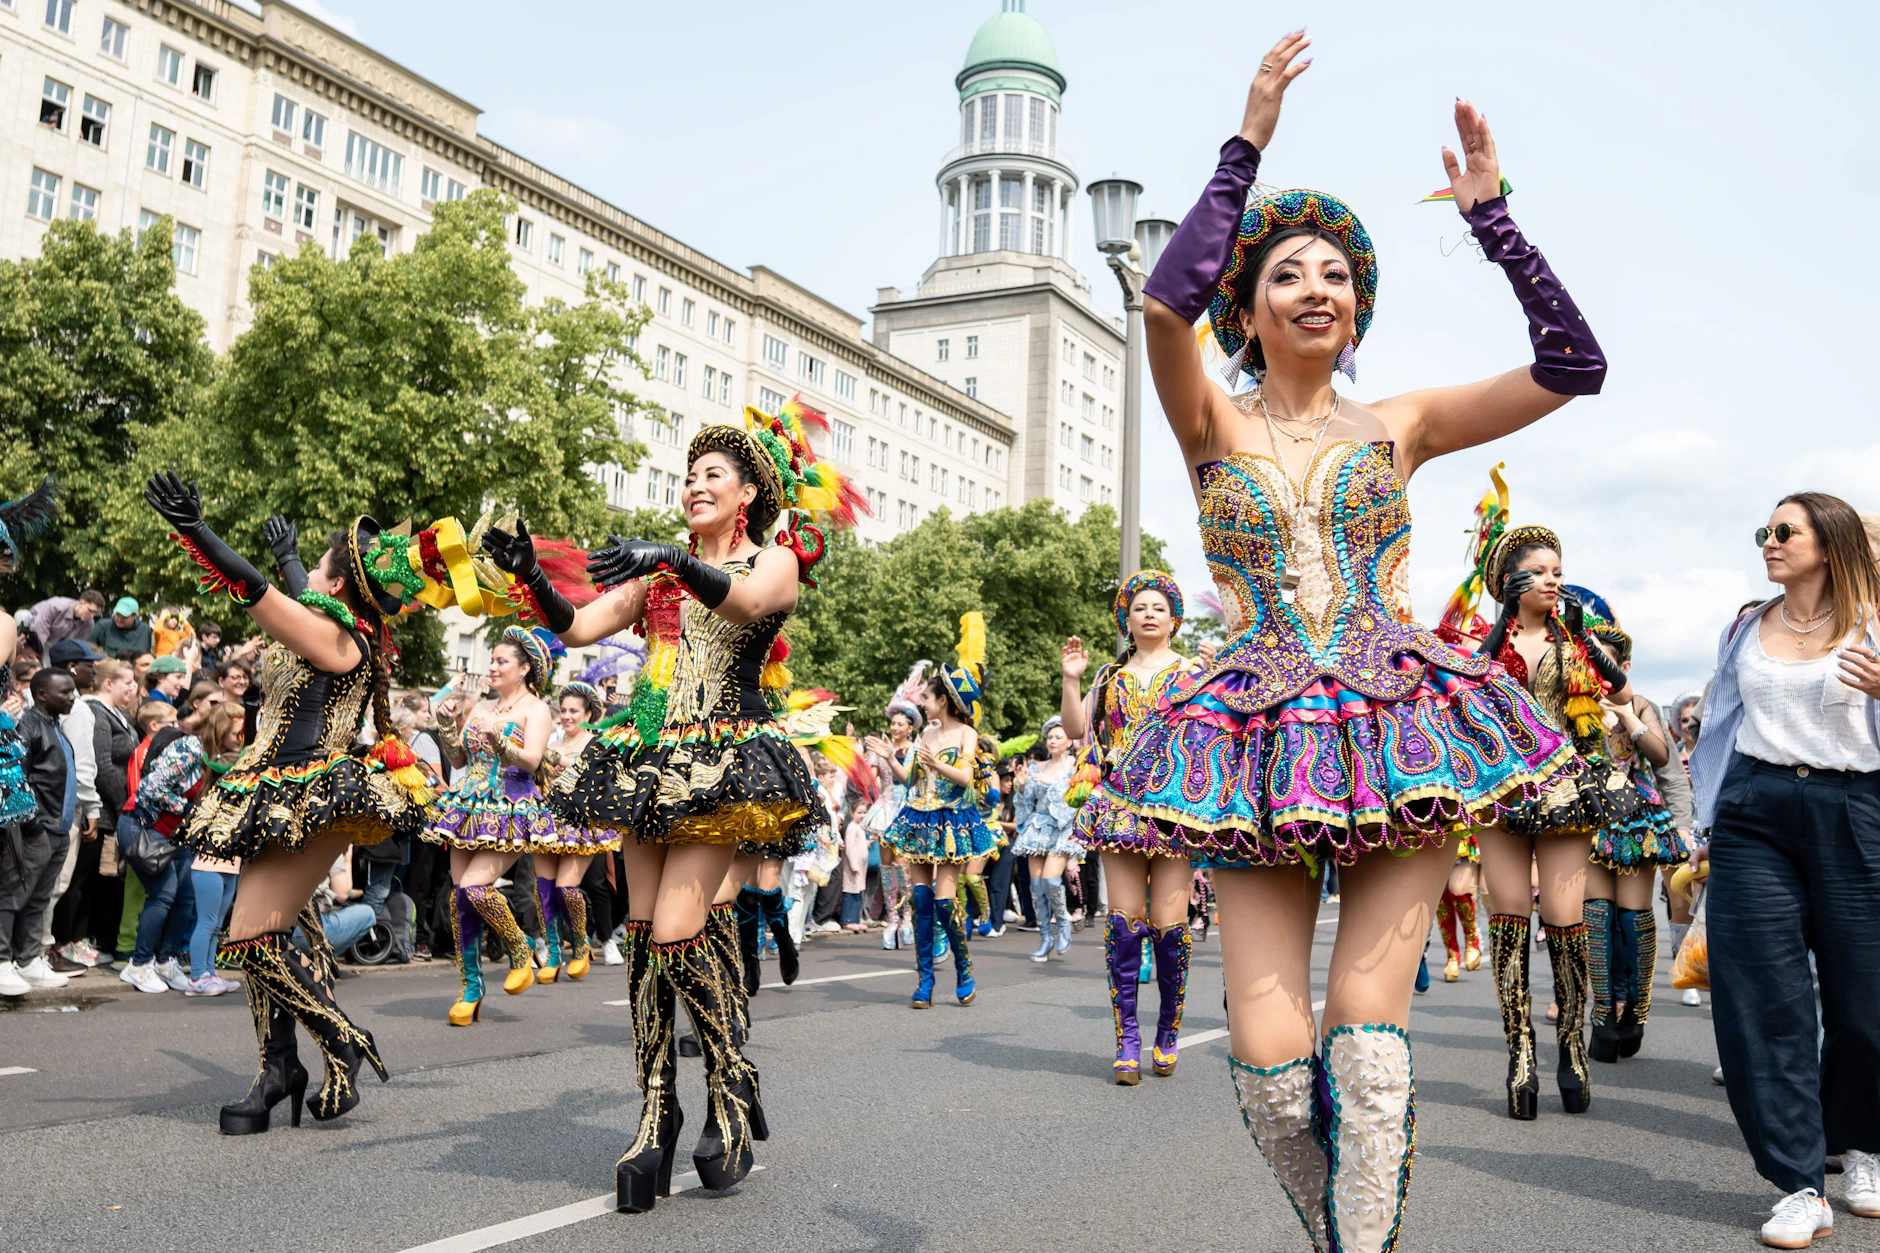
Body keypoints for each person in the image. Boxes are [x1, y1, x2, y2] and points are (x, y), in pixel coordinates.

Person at [1077, 39, 1599, 1252]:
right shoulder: (1202, 414)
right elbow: (1160, 302)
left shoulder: (1399, 421)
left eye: (1336, 275)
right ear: (1246, 307)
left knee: (1366, 1037)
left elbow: (1573, 365)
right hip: (1248, 733)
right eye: (1285, 274)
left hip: (1399, 723)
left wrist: (1494, 222)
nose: (1316, 287)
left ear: (1356, 306)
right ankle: (1339, 1229)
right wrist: (1245, 142)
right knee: (1269, 1064)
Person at [531, 396, 857, 1211]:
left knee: (679, 927)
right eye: (688, 475)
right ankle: (656, 1113)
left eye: (712, 475)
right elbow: (576, 627)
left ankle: (730, 1082)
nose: (693, 485)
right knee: (644, 937)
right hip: (646, 758)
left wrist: (672, 564)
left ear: (748, 493)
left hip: (725, 760)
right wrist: (530, 576)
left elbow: (747, 607)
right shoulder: (658, 573)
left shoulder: (773, 559)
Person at [140, 480, 438, 1133]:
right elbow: (298, 594)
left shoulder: (340, 635)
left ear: (339, 585)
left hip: (307, 791)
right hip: (275, 790)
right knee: (287, 932)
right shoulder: (342, 624)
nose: (312, 580)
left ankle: (342, 1038)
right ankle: (278, 1068)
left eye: (322, 571)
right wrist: (292, 557)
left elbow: (261, 596)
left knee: (250, 939)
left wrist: (200, 532)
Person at [1690, 492, 1880, 1248]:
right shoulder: (1746, 623)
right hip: (1754, 810)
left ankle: (1863, 1144)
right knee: (1764, 1001)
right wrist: (1705, 822)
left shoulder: (1872, 622)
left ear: (1829, 544)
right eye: (1764, 531)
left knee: (1865, 1001)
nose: (1767, 541)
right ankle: (1801, 1183)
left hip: (1854, 806)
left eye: (1784, 531)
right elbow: (1719, 724)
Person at [1064, 569, 1198, 1082]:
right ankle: (1127, 1040)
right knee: (1123, 923)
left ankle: (1167, 1031)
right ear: (1126, 618)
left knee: (1169, 928)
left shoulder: (1194, 672)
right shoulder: (1107, 678)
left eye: (1158, 608)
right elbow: (1077, 730)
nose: (1148, 614)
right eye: (1139, 607)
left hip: (1175, 808)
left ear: (1173, 620)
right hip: (1118, 803)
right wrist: (1071, 679)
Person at [424, 626, 569, 1023]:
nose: (491, 667)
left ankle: (520, 946)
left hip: (509, 806)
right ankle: (470, 988)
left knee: (474, 889)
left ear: (523, 669)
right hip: (468, 805)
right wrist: (447, 726)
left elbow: (533, 760)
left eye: (501, 661)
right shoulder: (483, 707)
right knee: (459, 899)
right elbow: (458, 762)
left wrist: (500, 740)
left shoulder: (536, 709)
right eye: (491, 661)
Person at [1575, 612, 1689, 1065]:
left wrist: (1626, 716)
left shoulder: (1641, 704)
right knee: (1595, 917)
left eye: (1609, 662)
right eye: (1593, 661)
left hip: (1636, 821)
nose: (1601, 670)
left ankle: (1634, 1015)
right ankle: (1602, 1016)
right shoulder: (1573, 703)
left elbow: (1665, 761)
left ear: (1622, 666)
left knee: (1632, 916)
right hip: (1585, 819)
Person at [881, 614, 998, 1010]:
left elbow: (964, 778)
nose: (922, 704)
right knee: (919, 899)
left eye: (926, 699)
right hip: (919, 817)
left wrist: (936, 764)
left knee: (946, 902)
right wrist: (890, 760)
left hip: (951, 822)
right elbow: (909, 779)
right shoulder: (925, 734)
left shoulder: (967, 734)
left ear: (943, 701)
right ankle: (925, 980)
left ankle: (964, 970)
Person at [0, 668, 79, 994]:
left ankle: (29, 959)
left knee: (38, 898)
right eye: (65, 691)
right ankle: (2, 960)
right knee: (11, 894)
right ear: (42, 694)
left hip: (57, 828)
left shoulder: (53, 725)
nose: (72, 696)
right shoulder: (28, 726)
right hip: (34, 828)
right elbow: (17, 775)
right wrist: (31, 826)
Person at [1012, 716, 1079, 963]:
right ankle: (1045, 938)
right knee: (1037, 887)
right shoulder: (1036, 767)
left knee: (1051, 881)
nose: (1052, 741)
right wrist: (1021, 787)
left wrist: (1052, 784)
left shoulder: (1075, 765)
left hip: (1063, 828)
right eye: (1050, 737)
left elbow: (1076, 796)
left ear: (1069, 741)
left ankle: (1063, 923)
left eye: (1058, 737)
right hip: (1038, 828)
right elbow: (1026, 803)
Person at [30, 589, 105, 649]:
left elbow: (74, 646)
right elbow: (40, 630)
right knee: (23, 615)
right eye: (90, 611)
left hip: (50, 642)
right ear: (81, 603)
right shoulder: (56, 606)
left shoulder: (89, 624)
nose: (92, 616)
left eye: (95, 613)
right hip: (33, 628)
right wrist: (37, 653)